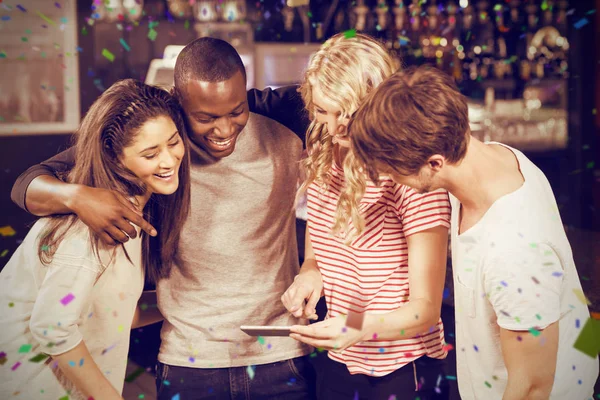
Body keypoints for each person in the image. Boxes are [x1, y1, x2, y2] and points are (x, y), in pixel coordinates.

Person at [10, 38, 315, 400]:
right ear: (178, 101)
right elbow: (25, 185)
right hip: (188, 364)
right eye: (205, 118)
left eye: (236, 111)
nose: (224, 129)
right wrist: (79, 197)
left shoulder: (283, 116)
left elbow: (359, 117)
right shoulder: (148, 135)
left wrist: (313, 263)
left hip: (281, 358)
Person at [349, 65, 600, 399]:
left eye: (393, 171)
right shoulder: (493, 157)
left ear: (434, 164)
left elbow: (533, 390)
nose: (390, 180)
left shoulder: (515, 253)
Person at [280, 33, 452, 400]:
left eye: (348, 113)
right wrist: (310, 271)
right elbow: (320, 238)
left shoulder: (410, 171)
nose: (335, 126)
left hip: (402, 368)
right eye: (323, 112)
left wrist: (354, 326)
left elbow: (424, 309)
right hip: (339, 356)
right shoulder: (325, 149)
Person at [0, 79, 190, 400]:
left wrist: (183, 302)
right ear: (116, 158)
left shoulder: (131, 216)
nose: (169, 160)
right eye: (150, 153)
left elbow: (116, 315)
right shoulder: (91, 227)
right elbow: (52, 328)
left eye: (173, 143)